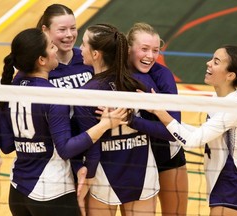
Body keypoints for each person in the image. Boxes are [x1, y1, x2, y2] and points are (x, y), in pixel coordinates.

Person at [0, 28, 127, 216]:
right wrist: (104, 125)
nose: (56, 50)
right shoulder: (52, 96)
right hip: (51, 193)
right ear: (41, 60)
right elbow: (66, 149)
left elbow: (6, 145)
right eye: (52, 46)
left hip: (18, 191)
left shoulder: (12, 89)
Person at [0, 3, 93, 189]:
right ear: (45, 30)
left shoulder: (87, 61)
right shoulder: (33, 72)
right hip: (58, 163)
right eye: (62, 29)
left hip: (91, 155)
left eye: (73, 28)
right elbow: (1, 113)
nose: (69, 34)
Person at [149, 45, 237, 216]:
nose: (208, 63)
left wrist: (161, 113)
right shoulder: (218, 99)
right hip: (221, 187)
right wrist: (163, 120)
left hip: (231, 189)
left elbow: (192, 141)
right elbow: (199, 134)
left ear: (230, 75)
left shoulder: (233, 107)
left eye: (216, 62)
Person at [75, 23, 160, 216]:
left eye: (84, 44)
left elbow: (92, 146)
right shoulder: (138, 82)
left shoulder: (86, 93)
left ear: (96, 54)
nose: (80, 48)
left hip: (104, 174)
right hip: (142, 169)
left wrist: (86, 178)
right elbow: (162, 128)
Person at [126, 22, 188, 216]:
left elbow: (173, 132)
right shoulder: (116, 74)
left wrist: (131, 121)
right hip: (134, 159)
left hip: (167, 156)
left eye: (155, 50)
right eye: (144, 49)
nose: (150, 56)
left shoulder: (163, 75)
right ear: (128, 48)